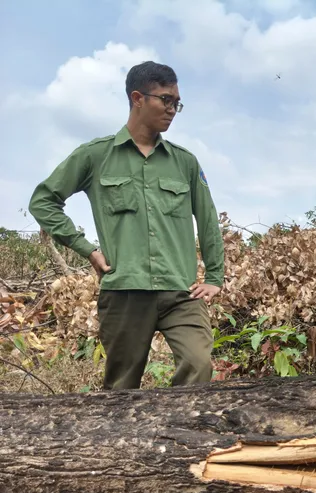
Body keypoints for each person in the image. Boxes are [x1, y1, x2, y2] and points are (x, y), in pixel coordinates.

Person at [28, 61, 224, 389]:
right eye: (166, 100)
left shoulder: (185, 162)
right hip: (124, 293)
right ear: (138, 98)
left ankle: (181, 436)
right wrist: (86, 249)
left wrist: (216, 276)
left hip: (180, 292)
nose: (173, 109)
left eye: (177, 103)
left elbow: (207, 219)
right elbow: (43, 201)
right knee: (121, 388)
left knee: (198, 366)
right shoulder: (96, 155)